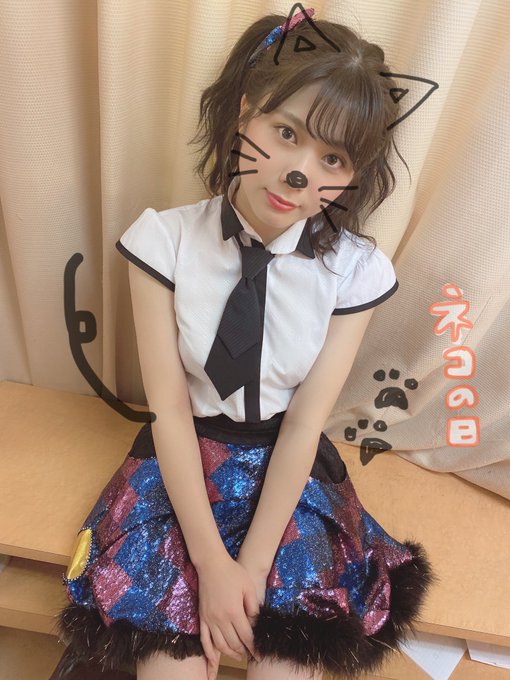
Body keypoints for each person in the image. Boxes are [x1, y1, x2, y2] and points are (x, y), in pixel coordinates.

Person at [55, 8, 437, 680]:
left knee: (287, 661)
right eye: (286, 133)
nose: (299, 174)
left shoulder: (354, 271)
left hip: (288, 472)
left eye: (332, 159)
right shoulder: (164, 243)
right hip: (180, 465)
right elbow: (169, 409)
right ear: (244, 112)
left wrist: (253, 568)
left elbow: (305, 424)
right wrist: (210, 564)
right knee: (170, 665)